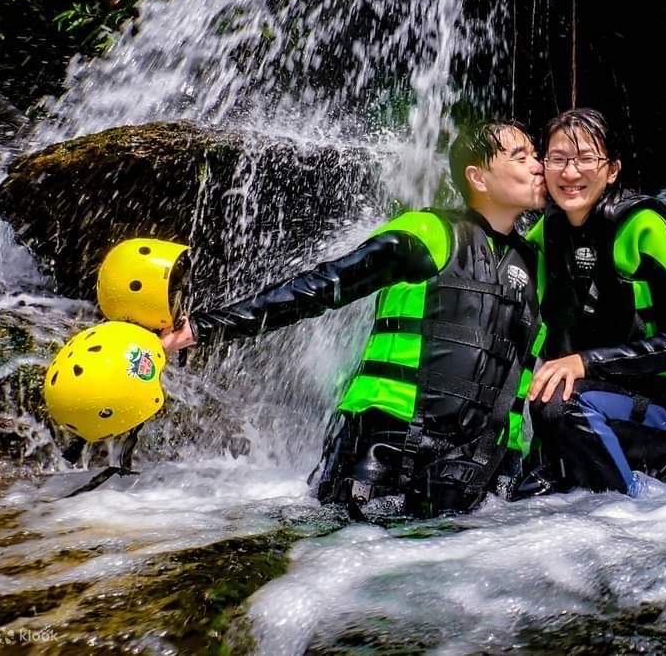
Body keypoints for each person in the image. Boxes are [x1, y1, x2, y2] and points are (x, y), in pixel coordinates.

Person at [162, 121, 547, 520]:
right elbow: (320, 288)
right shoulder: (429, 232)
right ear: (478, 177)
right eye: (520, 157)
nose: (538, 165)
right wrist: (204, 328)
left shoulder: (538, 263)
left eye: (536, 156)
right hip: (388, 447)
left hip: (481, 466)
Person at [522, 108, 666, 498]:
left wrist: (585, 362)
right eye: (558, 159)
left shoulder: (645, 225)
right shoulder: (547, 232)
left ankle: (631, 510)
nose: (570, 172)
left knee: (560, 403)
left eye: (585, 159)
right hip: (604, 392)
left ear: (612, 170)